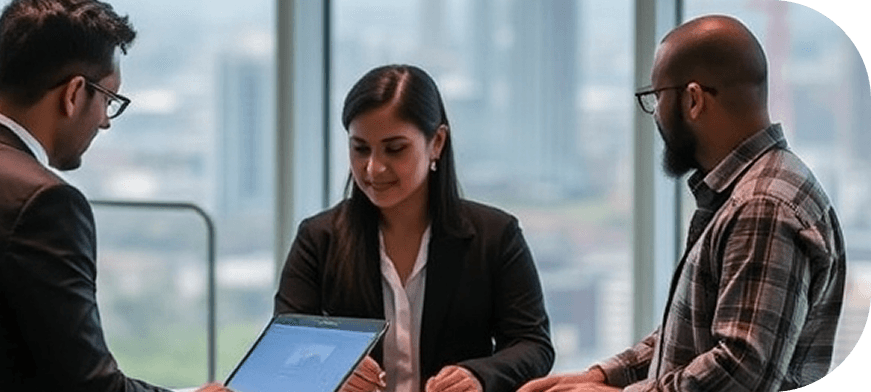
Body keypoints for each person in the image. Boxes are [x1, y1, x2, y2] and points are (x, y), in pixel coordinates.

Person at [0, 1, 226, 391]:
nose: (104, 121)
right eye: (108, 100)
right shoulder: (44, 202)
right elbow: (89, 385)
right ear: (73, 93)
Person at [518, 14, 846, 392]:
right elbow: (694, 334)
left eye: (656, 98)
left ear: (693, 99)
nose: (656, 114)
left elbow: (740, 372)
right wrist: (600, 377)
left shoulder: (762, 206)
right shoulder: (750, 189)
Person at [274, 64, 555, 392]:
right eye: (360, 148)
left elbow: (533, 344)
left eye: (395, 149)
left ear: (437, 142)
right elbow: (285, 345)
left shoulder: (495, 236)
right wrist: (331, 368)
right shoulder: (318, 239)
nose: (373, 168)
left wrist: (479, 376)